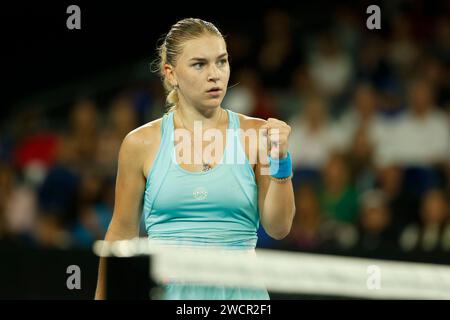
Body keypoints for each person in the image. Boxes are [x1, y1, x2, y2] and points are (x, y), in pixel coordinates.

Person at [95, 18, 295, 300]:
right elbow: (120, 234)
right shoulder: (139, 143)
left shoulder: (257, 135)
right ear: (171, 74)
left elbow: (278, 228)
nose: (215, 75)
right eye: (199, 64)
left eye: (221, 62)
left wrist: (281, 161)